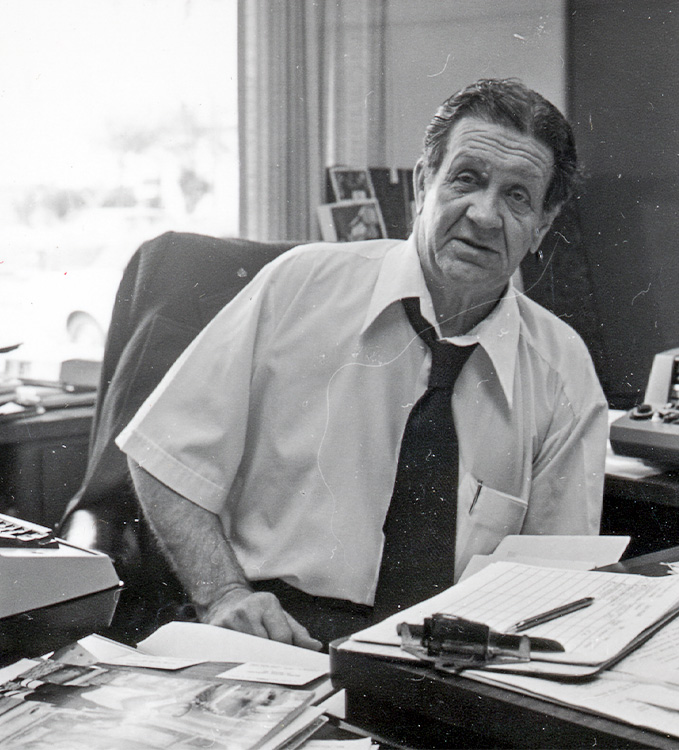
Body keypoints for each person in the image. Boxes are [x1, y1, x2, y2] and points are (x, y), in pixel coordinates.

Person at [117, 78, 608, 650]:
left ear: (542, 226)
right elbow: (163, 455)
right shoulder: (300, 286)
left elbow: (553, 582)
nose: (484, 214)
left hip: (449, 660)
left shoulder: (562, 368)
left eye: (517, 196)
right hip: (280, 633)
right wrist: (224, 595)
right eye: (466, 178)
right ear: (425, 184)